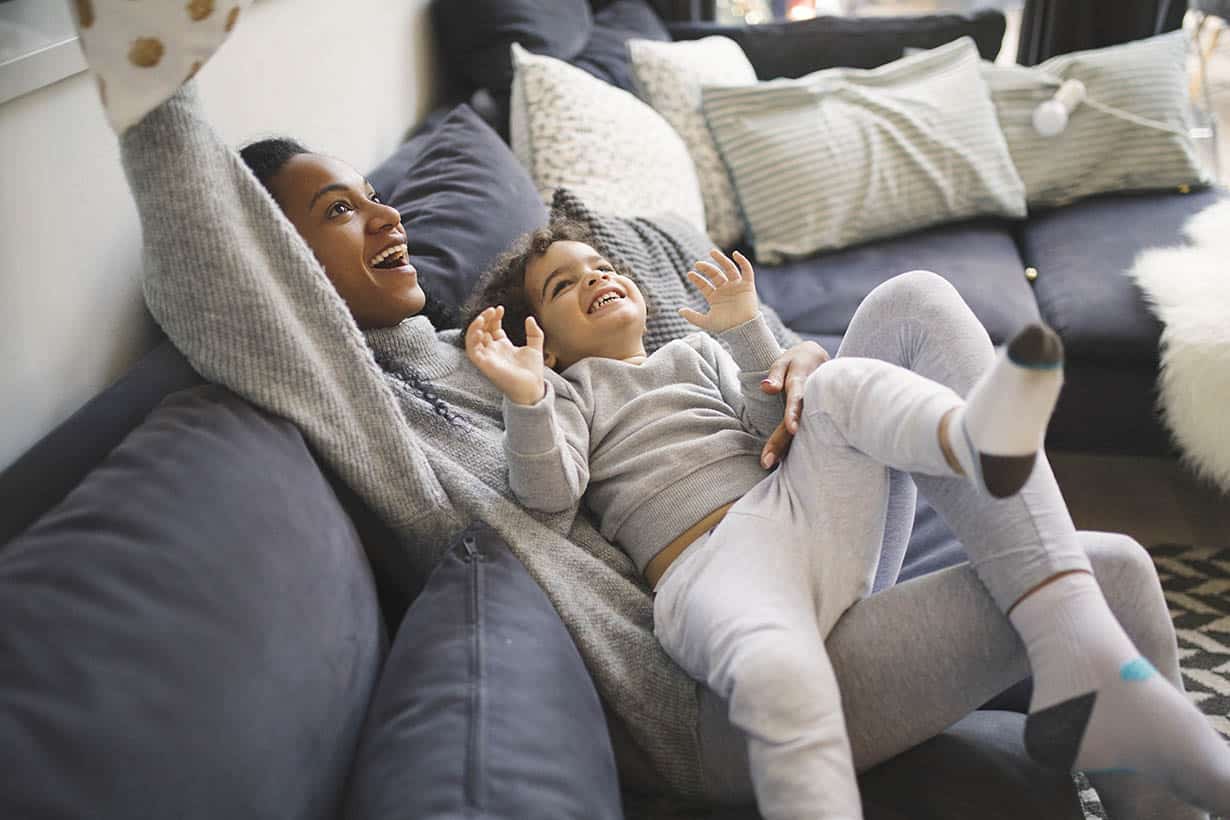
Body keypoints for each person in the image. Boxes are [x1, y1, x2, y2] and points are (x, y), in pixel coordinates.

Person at [118, 80, 1215, 820]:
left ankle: (1094, 690)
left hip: (797, 537)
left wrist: (789, 364)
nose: (385, 217)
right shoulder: (376, 395)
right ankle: (1118, 725)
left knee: (919, 307)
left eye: (371, 196)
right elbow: (217, 271)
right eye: (337, 214)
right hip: (713, 684)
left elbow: (700, 389)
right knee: (1116, 567)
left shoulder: (477, 342)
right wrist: (149, 86)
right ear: (285, 264)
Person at [463, 221, 1230, 820]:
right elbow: (548, 498)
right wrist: (525, 400)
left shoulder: (693, 353)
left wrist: (753, 336)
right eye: (565, 285)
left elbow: (773, 425)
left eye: (599, 264)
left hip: (807, 517)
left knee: (861, 355)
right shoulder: (565, 393)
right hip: (726, 566)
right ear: (547, 341)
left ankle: (967, 438)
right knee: (1117, 569)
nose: (594, 277)